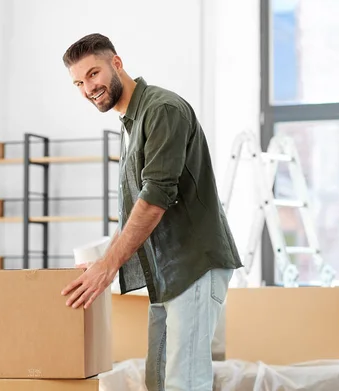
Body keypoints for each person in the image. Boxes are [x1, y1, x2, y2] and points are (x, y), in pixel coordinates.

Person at [60, 33, 243, 391]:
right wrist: (101, 261)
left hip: (193, 265)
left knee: (183, 383)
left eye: (93, 74)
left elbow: (155, 199)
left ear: (116, 63)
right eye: (79, 83)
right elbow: (134, 212)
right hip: (168, 275)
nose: (88, 88)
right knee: (158, 381)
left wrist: (108, 266)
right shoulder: (131, 123)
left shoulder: (161, 110)